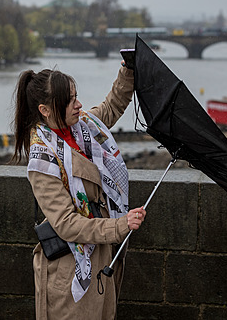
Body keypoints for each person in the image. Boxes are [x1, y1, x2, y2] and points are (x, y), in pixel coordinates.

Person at [12, 62, 146, 319]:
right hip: (70, 272)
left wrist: (128, 71)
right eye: (70, 100)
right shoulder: (43, 159)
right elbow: (66, 224)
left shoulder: (83, 127)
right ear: (46, 110)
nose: (79, 105)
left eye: (76, 96)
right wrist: (120, 226)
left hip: (101, 260)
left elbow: (112, 106)